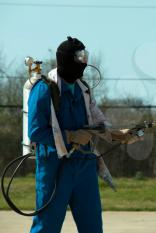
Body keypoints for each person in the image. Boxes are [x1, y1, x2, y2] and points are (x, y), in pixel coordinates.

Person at [28, 36, 138, 233]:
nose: (83, 64)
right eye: (79, 58)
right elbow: (35, 132)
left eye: (85, 58)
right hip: (55, 168)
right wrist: (69, 135)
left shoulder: (83, 89)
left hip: (84, 166)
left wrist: (117, 134)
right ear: (66, 60)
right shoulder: (44, 89)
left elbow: (98, 120)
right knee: (47, 227)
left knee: (93, 227)